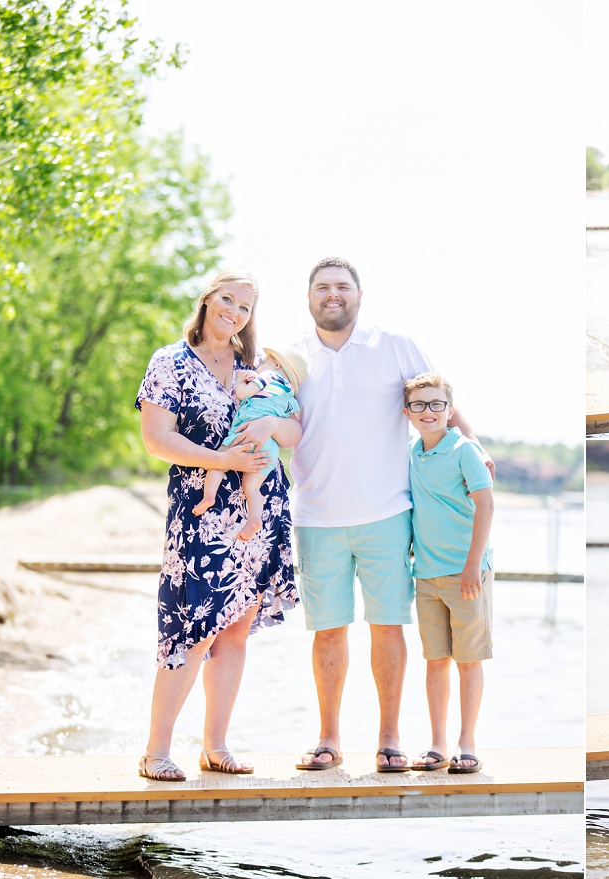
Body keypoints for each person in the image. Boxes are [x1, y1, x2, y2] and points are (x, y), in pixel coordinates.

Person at [232, 256, 493, 773]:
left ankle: (390, 739)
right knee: (328, 631)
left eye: (343, 287)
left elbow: (440, 400)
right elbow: (264, 413)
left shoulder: (395, 344)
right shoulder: (286, 358)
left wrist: (476, 444)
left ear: (359, 295)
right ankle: (328, 740)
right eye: (323, 287)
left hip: (388, 514)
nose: (334, 295)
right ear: (309, 298)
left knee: (387, 627)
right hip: (315, 516)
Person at [135, 269, 300, 781]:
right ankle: (156, 751)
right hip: (202, 514)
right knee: (194, 631)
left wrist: (274, 425)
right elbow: (157, 440)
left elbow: (296, 429)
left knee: (235, 632)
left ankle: (215, 746)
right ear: (207, 300)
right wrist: (223, 460)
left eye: (245, 307)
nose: (235, 312)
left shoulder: (257, 365)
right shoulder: (171, 362)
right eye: (227, 300)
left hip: (261, 510)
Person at [403, 372, 494, 774]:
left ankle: (467, 743)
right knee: (435, 660)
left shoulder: (464, 450)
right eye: (419, 405)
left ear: (450, 410)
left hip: (467, 574)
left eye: (436, 404)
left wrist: (473, 565)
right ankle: (437, 744)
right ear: (408, 412)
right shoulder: (410, 451)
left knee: (468, 660)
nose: (428, 411)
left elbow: (487, 505)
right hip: (426, 575)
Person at [193, 346, 308, 541]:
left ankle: (209, 496)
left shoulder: (267, 377)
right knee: (252, 488)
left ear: (276, 364)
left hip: (244, 433)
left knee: (219, 460)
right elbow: (292, 423)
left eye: (264, 362)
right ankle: (254, 519)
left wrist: (241, 381)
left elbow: (243, 393)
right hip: (268, 446)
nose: (261, 366)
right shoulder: (288, 394)